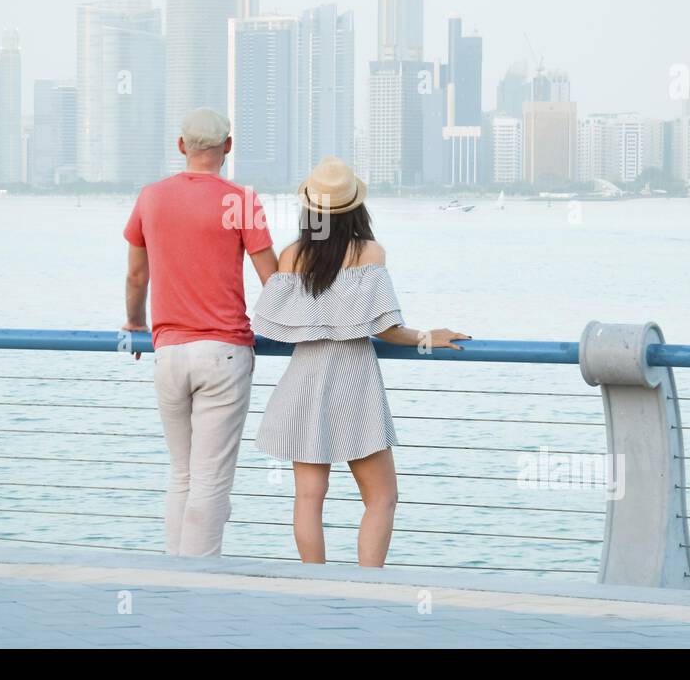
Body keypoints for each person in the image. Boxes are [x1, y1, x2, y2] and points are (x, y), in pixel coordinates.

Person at [252, 156, 469, 567]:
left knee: (308, 498)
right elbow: (385, 328)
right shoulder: (370, 252)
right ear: (356, 208)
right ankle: (368, 585)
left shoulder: (291, 255)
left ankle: (314, 585)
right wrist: (429, 337)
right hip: (354, 380)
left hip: (304, 379)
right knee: (382, 497)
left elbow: (276, 325)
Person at [122, 107, 277, 556]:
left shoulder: (150, 197)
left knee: (183, 474)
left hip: (167, 351)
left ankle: (175, 572)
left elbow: (136, 277)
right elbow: (272, 278)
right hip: (224, 351)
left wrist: (135, 322)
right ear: (227, 147)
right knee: (210, 478)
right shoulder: (241, 200)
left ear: (181, 147)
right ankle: (198, 581)